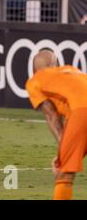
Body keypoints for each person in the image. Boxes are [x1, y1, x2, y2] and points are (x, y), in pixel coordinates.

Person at [26, 50, 87, 200]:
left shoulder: (35, 81)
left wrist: (62, 153)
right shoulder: (72, 70)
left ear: (34, 70)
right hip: (81, 111)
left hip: (83, 111)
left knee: (64, 174)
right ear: (55, 64)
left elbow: (51, 115)